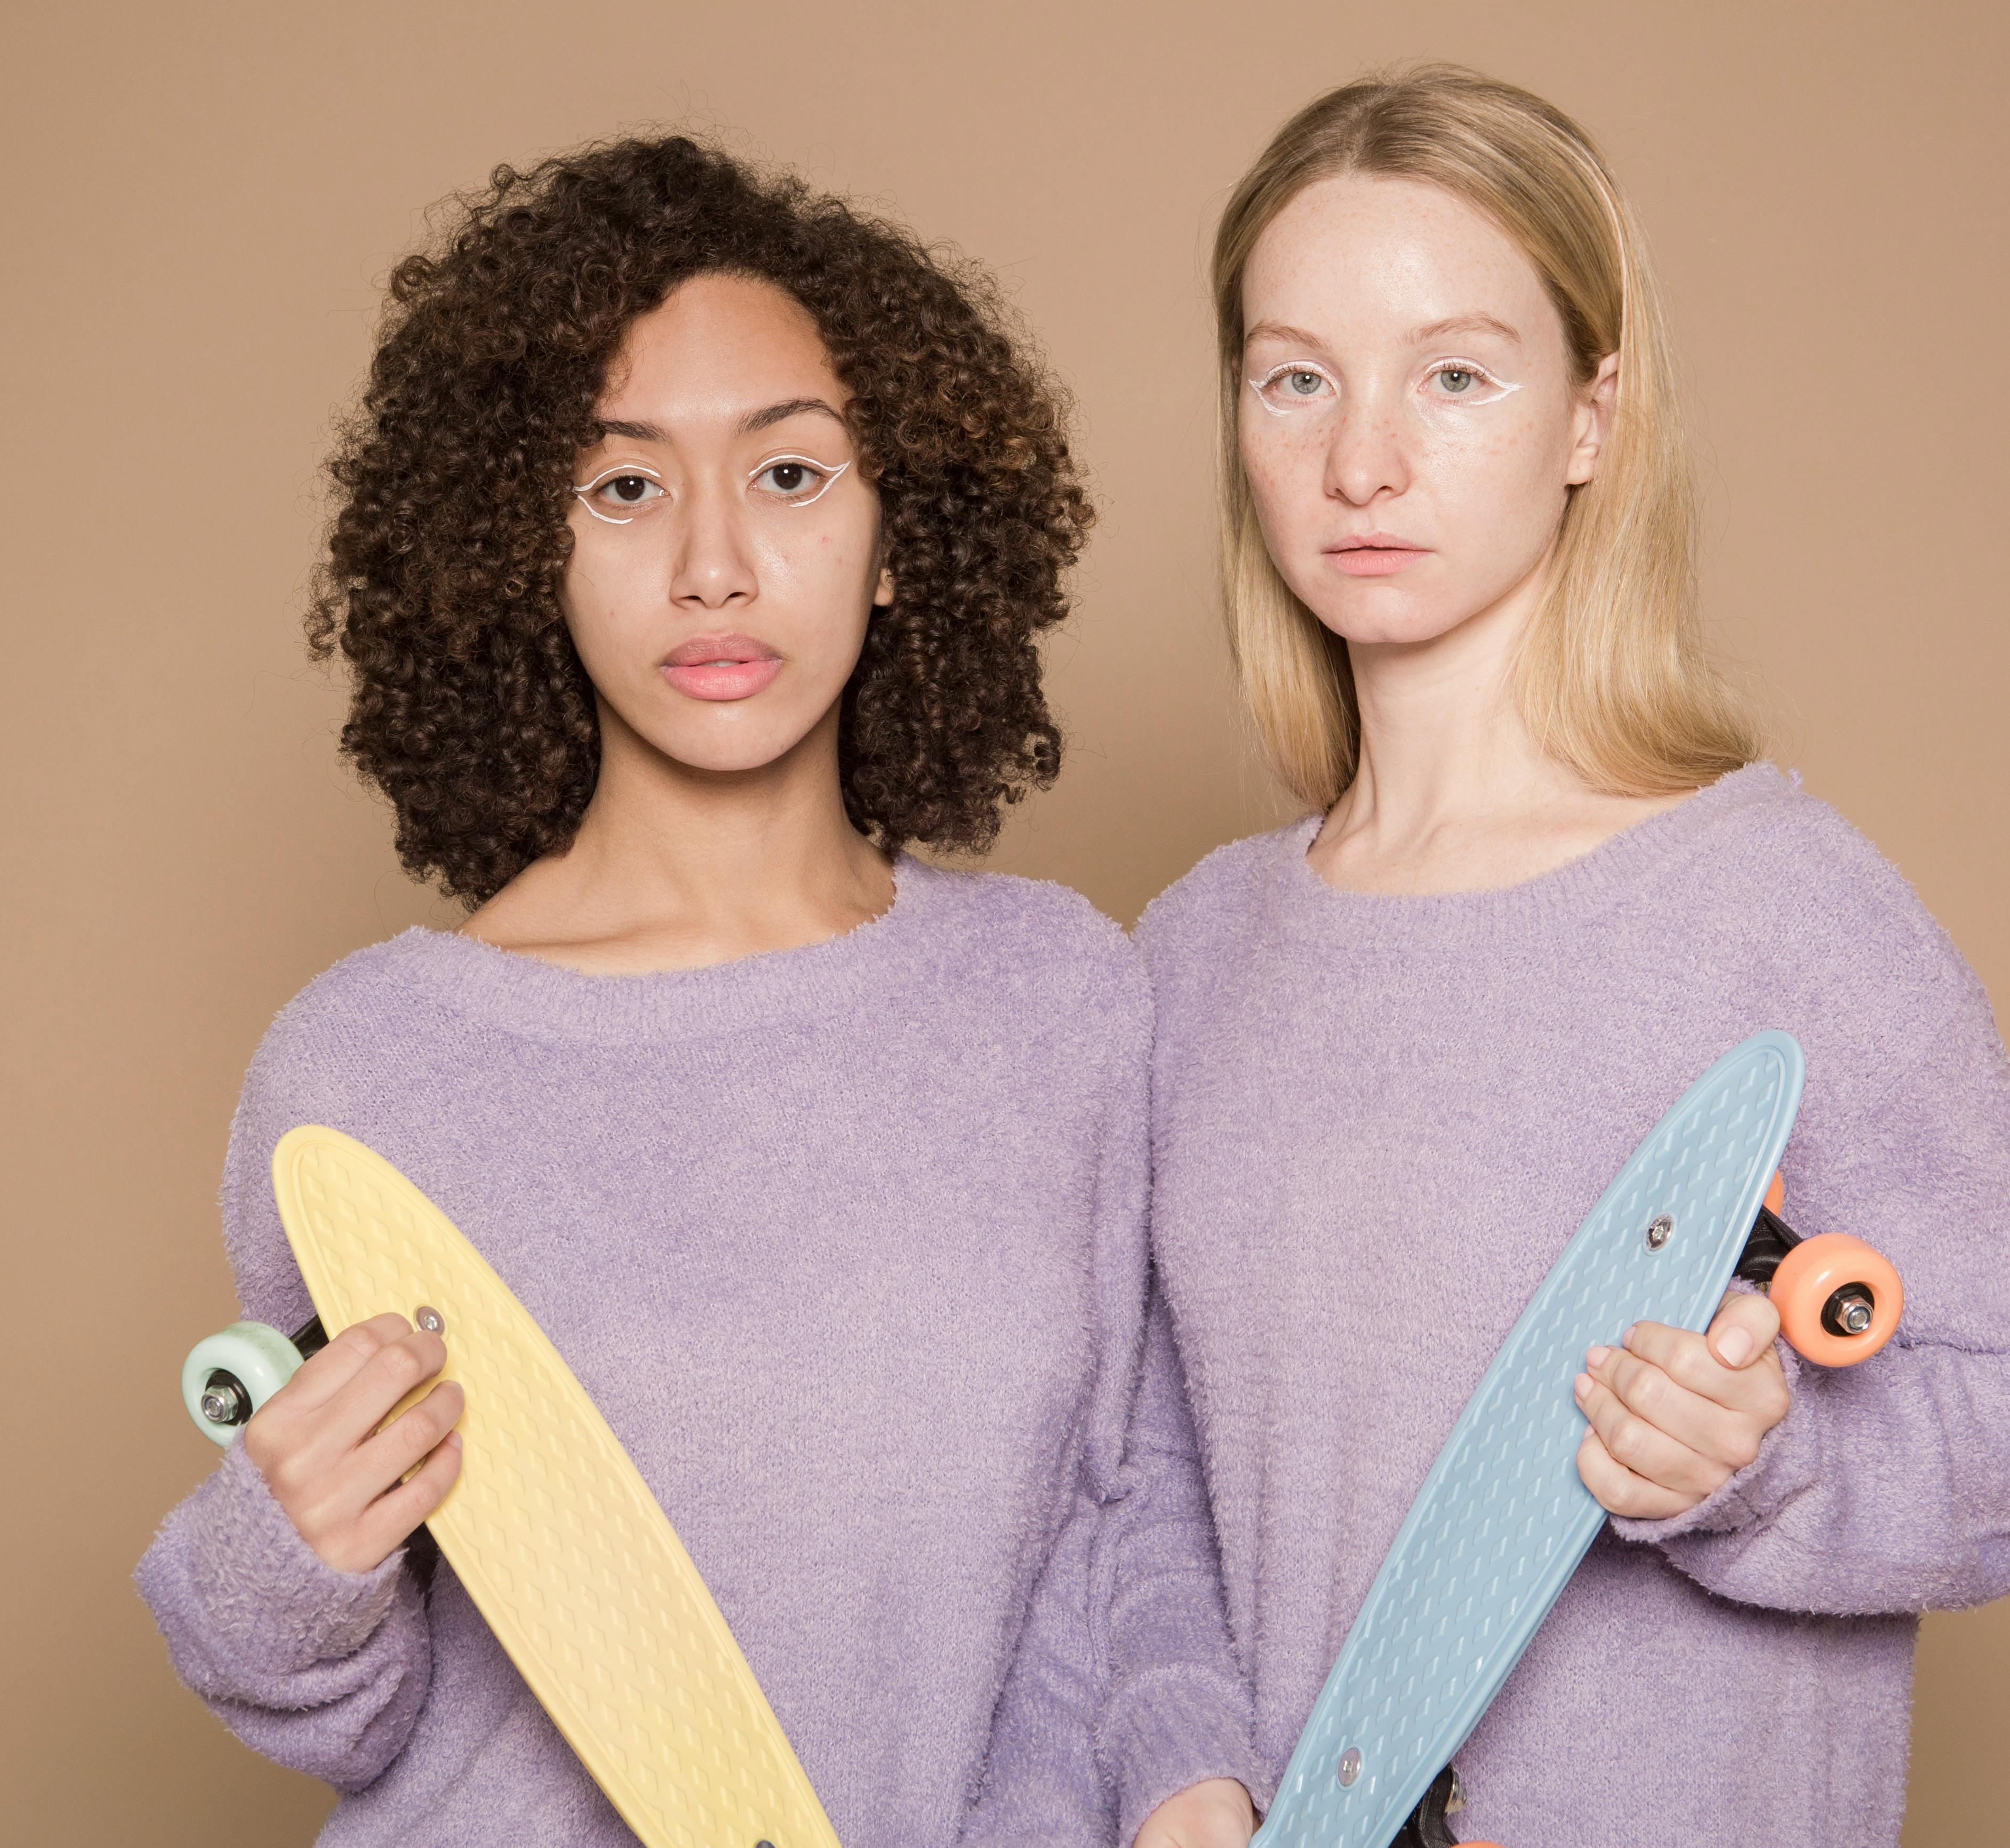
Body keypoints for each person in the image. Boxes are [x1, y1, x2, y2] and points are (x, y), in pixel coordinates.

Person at [136, 136, 1258, 1847]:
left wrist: (1199, 1790)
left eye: (793, 476)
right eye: (625, 486)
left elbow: (1121, 1523)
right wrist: (280, 1547)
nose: (714, 566)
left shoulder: (1059, 997)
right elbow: (353, 1709)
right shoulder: (372, 1066)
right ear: (528, 545)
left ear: (905, 540)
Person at [1133, 67, 2010, 1845]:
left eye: (1455, 374)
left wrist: (1768, 1467)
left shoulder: (1775, 903)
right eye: (1298, 378)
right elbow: (1137, 1488)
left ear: (1594, 413)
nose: (1361, 458)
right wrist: (1176, 1776)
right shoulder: (1194, 949)